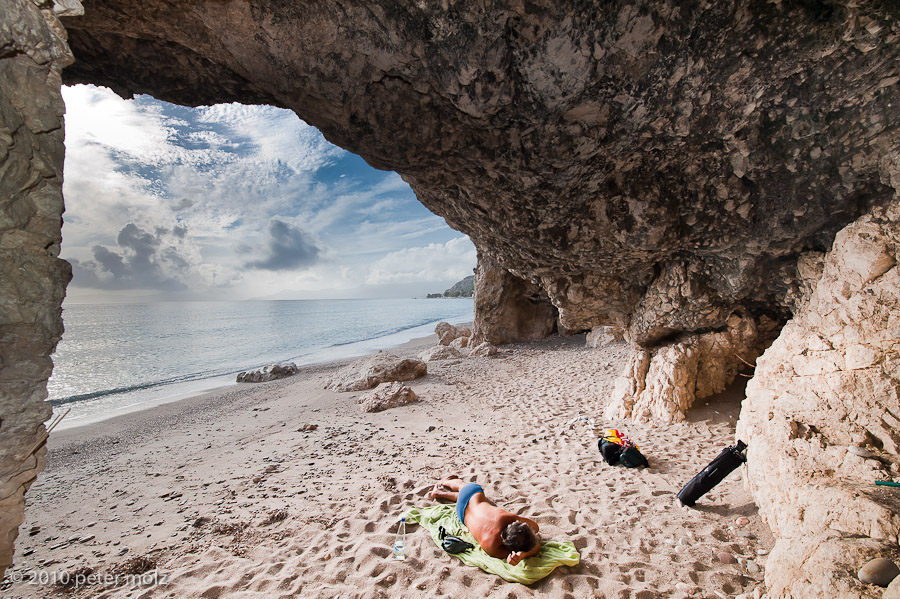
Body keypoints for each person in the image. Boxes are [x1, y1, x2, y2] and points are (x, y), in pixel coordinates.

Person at [428, 476, 540, 565]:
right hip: (461, 513)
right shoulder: (492, 547)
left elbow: (534, 526)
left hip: (471, 494)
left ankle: (445, 482)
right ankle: (439, 492)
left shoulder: (506, 518)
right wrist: (522, 555)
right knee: (463, 497)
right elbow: (536, 543)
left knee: (462, 486)